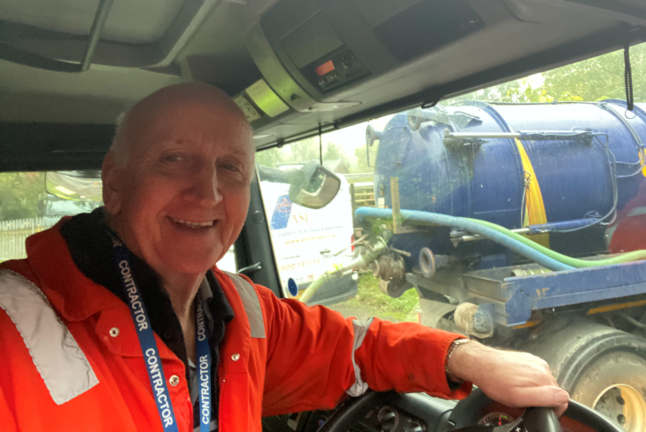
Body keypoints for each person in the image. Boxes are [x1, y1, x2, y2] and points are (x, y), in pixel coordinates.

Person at [0, 83, 569, 431]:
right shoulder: (13, 325)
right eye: (174, 159)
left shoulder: (238, 310)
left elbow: (353, 346)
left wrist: (465, 356)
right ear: (115, 181)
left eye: (232, 169)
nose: (210, 194)